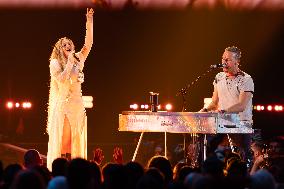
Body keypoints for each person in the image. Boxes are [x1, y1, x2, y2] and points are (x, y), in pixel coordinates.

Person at [46, 8, 94, 170]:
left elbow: (88, 44)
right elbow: (62, 79)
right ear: (60, 49)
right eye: (64, 45)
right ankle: (61, 169)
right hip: (64, 105)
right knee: (64, 140)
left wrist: (89, 22)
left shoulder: (78, 58)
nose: (68, 45)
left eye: (69, 43)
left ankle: (76, 168)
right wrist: (69, 63)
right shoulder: (55, 63)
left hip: (77, 104)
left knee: (76, 139)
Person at [200, 46, 254, 162]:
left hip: (241, 125)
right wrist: (203, 111)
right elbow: (214, 102)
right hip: (223, 123)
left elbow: (241, 105)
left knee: (241, 158)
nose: (223, 62)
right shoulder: (219, 77)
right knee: (207, 146)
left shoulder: (246, 79)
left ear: (237, 62)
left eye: (227, 60)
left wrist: (224, 111)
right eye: (223, 59)